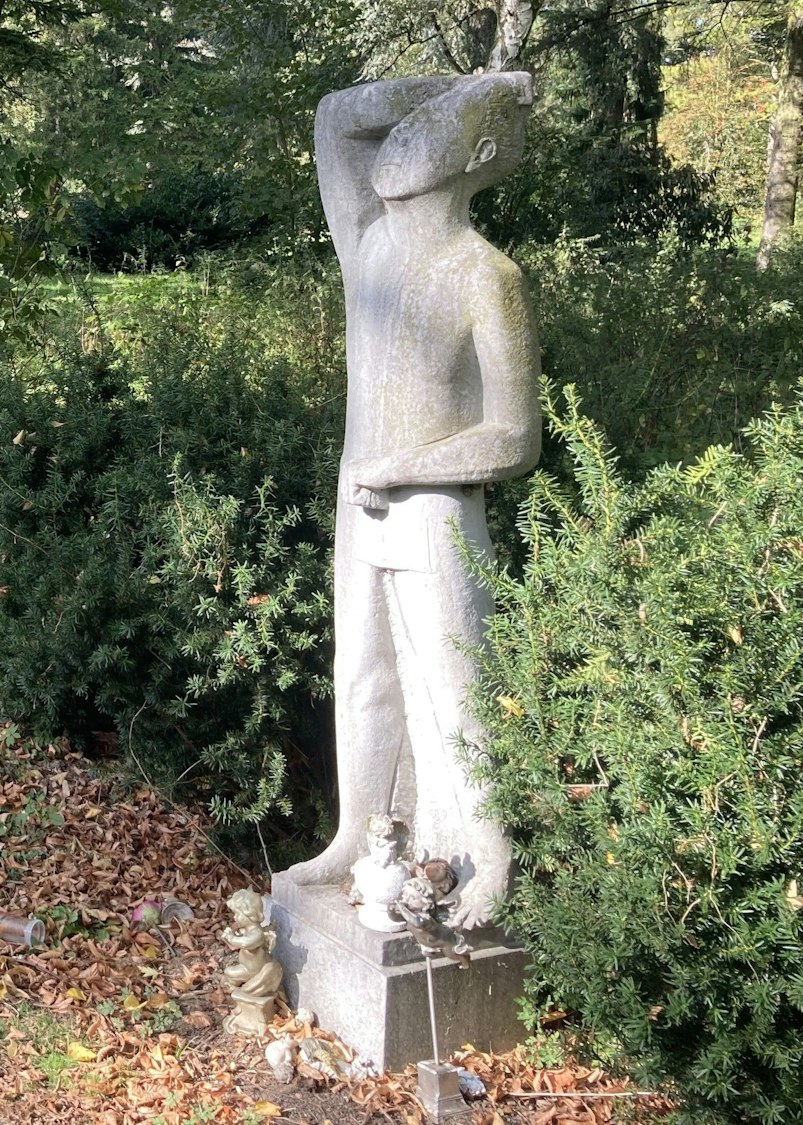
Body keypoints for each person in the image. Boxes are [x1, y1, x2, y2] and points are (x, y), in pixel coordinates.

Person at [283, 74, 541, 930]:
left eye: (434, 132)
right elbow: (336, 118)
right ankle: (360, 833)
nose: (402, 144)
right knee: (362, 675)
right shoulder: (371, 246)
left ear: (473, 156)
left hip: (431, 507)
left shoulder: (486, 276)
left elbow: (515, 436)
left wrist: (404, 468)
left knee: (455, 687)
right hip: (361, 501)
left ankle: (484, 859)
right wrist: (467, 86)